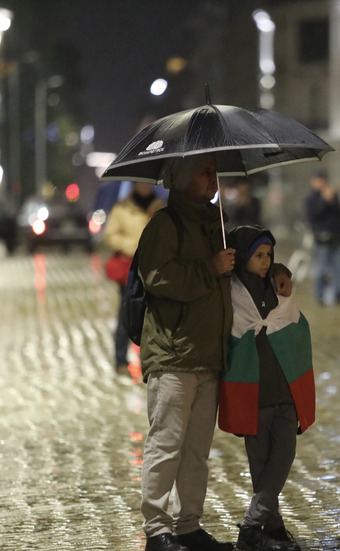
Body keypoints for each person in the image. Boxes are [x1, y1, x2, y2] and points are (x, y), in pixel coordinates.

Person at [137, 153, 236, 551]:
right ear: (179, 179)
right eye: (205, 171)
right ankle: (157, 530)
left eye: (215, 171)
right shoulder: (166, 224)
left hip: (209, 354)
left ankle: (188, 525)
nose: (213, 178)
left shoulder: (216, 225)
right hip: (174, 354)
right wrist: (210, 268)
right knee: (166, 444)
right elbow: (158, 277)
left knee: (197, 452)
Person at [218, 226, 314, 551]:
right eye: (258, 255)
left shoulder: (277, 288)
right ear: (242, 257)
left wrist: (279, 270)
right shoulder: (230, 294)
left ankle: (250, 526)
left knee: (284, 456)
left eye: (268, 255)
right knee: (259, 466)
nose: (265, 261)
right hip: (254, 396)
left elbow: (294, 326)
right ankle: (271, 531)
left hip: (285, 393)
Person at [103, 181, 164, 375]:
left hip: (154, 269)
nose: (145, 186)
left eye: (148, 183)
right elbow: (110, 235)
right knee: (126, 313)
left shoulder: (160, 207)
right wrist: (132, 246)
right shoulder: (122, 208)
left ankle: (149, 359)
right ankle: (121, 360)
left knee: (153, 316)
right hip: (129, 269)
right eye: (141, 183)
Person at [304, 170, 340, 305]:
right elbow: (314, 216)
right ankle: (319, 295)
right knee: (320, 268)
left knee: (338, 266)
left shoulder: (333, 196)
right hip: (321, 238)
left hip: (335, 237)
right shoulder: (311, 198)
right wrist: (324, 200)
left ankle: (338, 293)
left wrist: (332, 200)